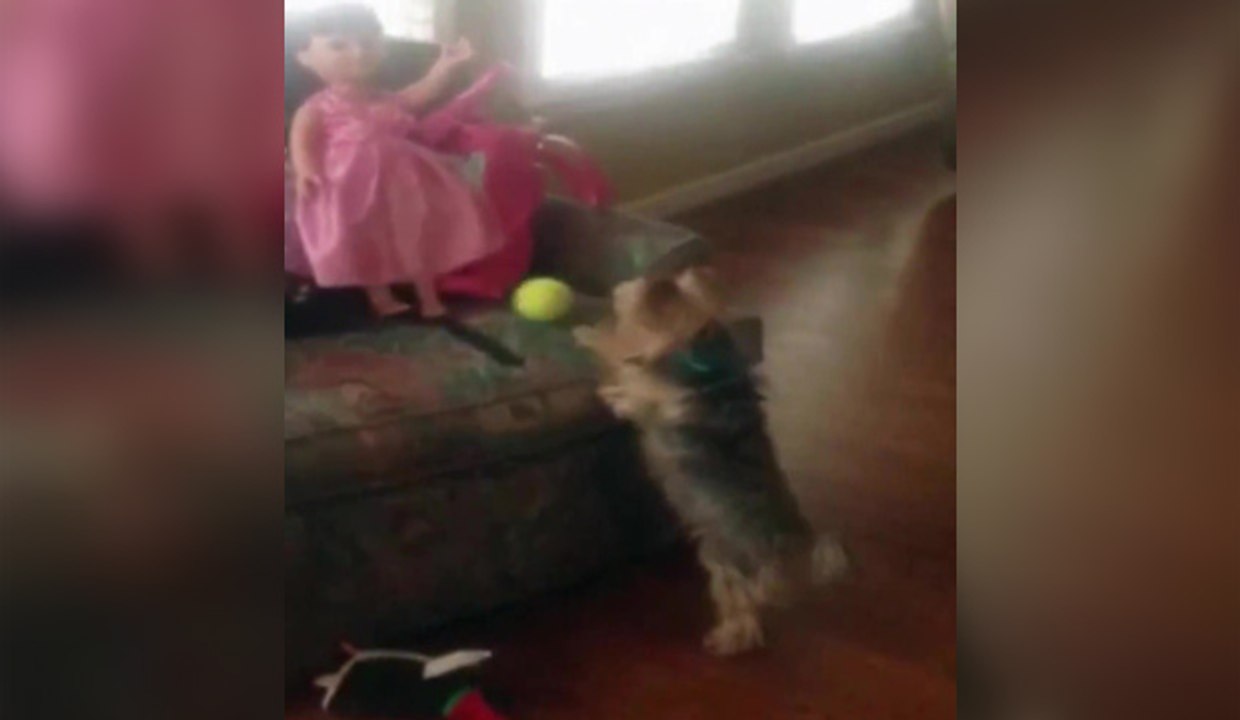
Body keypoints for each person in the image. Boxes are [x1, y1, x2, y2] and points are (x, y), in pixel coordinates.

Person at [288, 4, 506, 318]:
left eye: (368, 42)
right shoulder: (317, 107)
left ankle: (429, 298)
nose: (358, 53)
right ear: (305, 57)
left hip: (403, 181)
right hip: (349, 186)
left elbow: (420, 93)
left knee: (415, 236)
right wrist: (306, 170)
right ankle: (382, 299)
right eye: (338, 45)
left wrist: (444, 65)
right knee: (366, 241)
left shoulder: (385, 98)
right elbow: (302, 140)